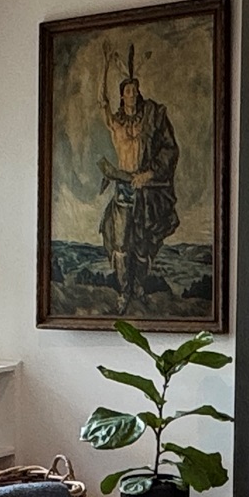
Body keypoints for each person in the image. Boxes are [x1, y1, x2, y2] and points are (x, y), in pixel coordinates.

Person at [98, 45, 179, 306]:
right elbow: (102, 101)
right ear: (121, 95)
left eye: (134, 90)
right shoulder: (117, 124)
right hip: (123, 188)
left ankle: (139, 288)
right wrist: (105, 65)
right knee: (121, 244)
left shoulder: (152, 118)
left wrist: (150, 173)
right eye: (126, 91)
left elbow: (169, 148)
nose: (131, 94)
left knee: (143, 244)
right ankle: (124, 292)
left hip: (146, 190)